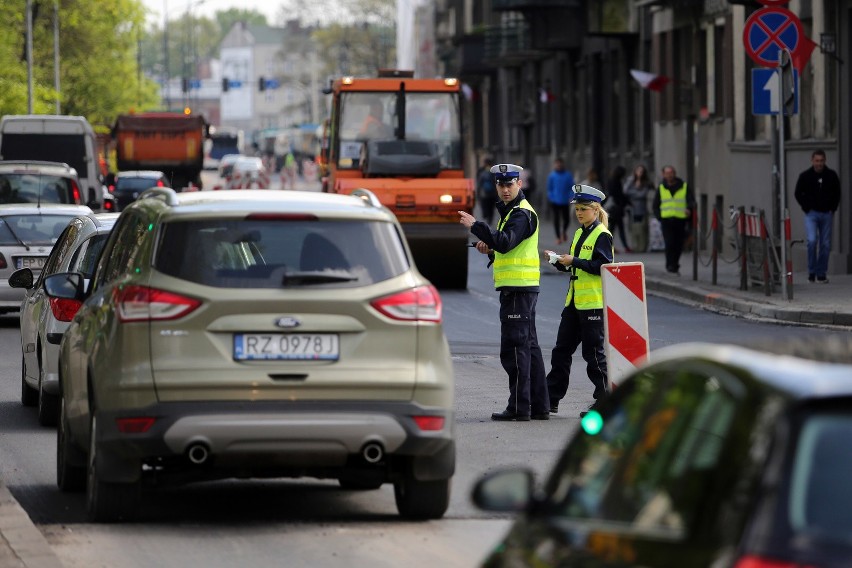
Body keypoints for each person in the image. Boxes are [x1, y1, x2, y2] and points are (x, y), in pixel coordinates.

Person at [458, 163, 550, 422]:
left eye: (510, 184)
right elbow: (506, 243)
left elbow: (507, 243)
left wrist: (477, 225)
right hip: (520, 288)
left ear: (519, 184)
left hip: (518, 289)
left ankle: (520, 407)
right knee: (529, 347)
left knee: (515, 350)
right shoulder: (512, 212)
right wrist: (490, 247)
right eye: (501, 185)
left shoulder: (521, 214)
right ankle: (539, 406)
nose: (505, 189)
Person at [542, 184, 614, 417]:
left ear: (595, 209)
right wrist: (557, 261)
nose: (579, 213)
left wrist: (573, 261)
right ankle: (550, 399)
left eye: (584, 209)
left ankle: (605, 401)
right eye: (577, 209)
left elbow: (602, 266)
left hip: (592, 303)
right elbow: (576, 268)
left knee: (593, 354)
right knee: (561, 350)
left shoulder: (602, 234)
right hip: (574, 302)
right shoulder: (580, 232)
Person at [794, 149, 841, 283]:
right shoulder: (805, 176)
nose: (819, 164)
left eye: (821, 161)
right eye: (817, 161)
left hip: (826, 213)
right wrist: (806, 207)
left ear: (825, 161)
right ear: (812, 161)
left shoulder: (831, 176)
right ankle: (811, 271)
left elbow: (837, 193)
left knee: (825, 244)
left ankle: (821, 273)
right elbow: (798, 193)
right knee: (812, 241)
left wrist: (833, 208)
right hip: (812, 214)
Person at [652, 165, 695, 275]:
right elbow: (655, 205)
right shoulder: (661, 188)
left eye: (671, 173)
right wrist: (659, 217)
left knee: (678, 244)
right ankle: (670, 265)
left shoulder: (684, 186)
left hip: (680, 219)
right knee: (669, 243)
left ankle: (675, 264)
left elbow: (691, 201)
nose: (669, 175)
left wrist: (689, 209)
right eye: (667, 173)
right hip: (666, 220)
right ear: (664, 175)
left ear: (674, 174)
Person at [623, 164, 654, 253]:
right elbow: (625, 191)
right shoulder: (631, 181)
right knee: (634, 229)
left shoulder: (646, 183)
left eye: (641, 171)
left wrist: (634, 193)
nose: (639, 173)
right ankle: (635, 246)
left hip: (642, 209)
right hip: (632, 209)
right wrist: (635, 186)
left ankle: (642, 247)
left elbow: (643, 194)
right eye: (638, 171)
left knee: (643, 228)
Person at [546, 157, 575, 244]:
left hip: (565, 200)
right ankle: (558, 237)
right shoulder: (552, 176)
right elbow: (549, 188)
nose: (558, 165)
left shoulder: (568, 175)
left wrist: (571, 196)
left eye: (560, 164)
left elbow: (572, 187)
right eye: (557, 164)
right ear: (555, 165)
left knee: (566, 219)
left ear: (562, 164)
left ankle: (564, 232)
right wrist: (551, 197)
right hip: (555, 200)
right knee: (556, 219)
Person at [604, 165, 631, 253]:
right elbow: (618, 195)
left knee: (614, 228)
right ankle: (621, 247)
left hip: (613, 208)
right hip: (616, 208)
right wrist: (626, 201)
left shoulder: (610, 180)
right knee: (617, 228)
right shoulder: (616, 182)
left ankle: (611, 247)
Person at [476, 157, 497, 225]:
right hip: (493, 193)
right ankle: (490, 219)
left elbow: (479, 183)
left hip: (484, 193)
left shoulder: (482, 171)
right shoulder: (495, 171)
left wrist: (478, 193)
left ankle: (486, 215)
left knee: (485, 205)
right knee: (491, 207)